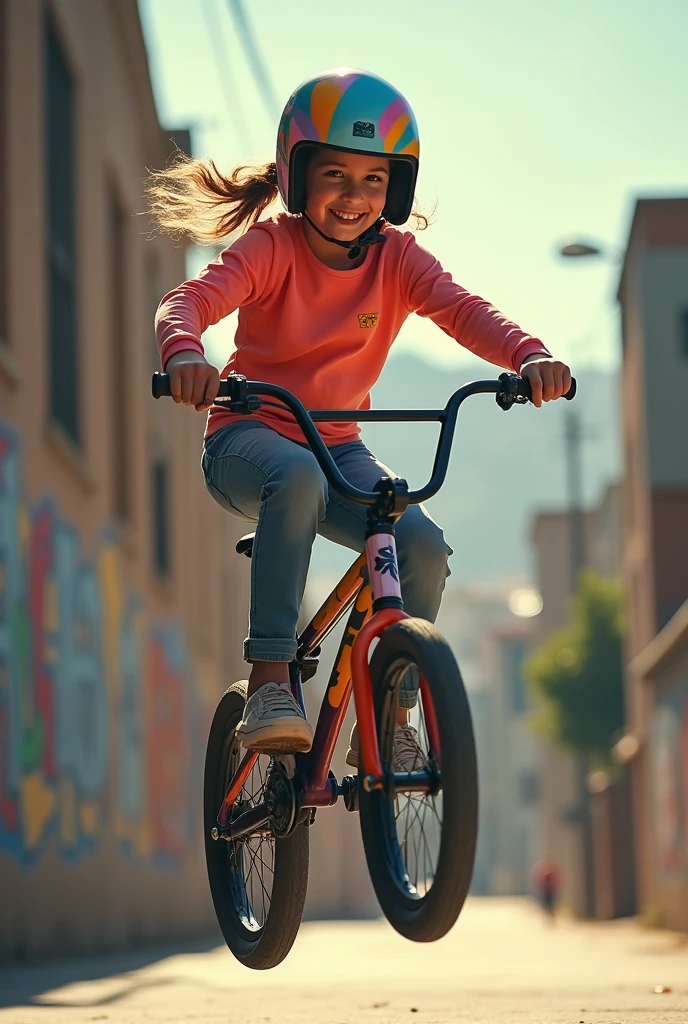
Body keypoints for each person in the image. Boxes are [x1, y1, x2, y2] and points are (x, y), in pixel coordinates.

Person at [149, 69, 572, 764]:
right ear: (297, 174)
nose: (355, 196)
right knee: (295, 476)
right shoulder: (273, 248)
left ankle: (390, 712)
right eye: (337, 175)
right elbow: (190, 299)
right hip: (246, 440)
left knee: (423, 544)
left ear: (396, 189)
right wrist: (187, 352)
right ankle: (270, 681)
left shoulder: (398, 259)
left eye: (375, 180)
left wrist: (529, 355)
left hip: (337, 445)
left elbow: (466, 310)